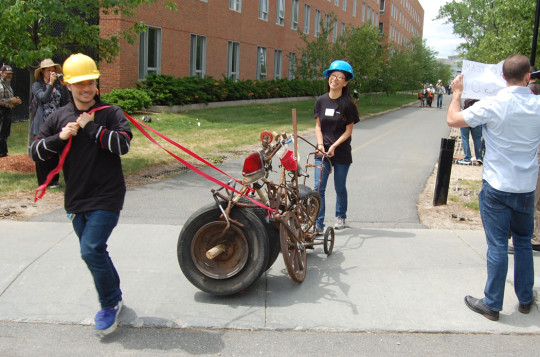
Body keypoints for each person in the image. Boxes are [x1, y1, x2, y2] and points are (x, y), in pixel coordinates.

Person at [30, 53, 133, 335]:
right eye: (80, 84)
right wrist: (59, 138)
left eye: (90, 83)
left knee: (89, 250)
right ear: (67, 85)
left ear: (96, 83)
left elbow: (122, 145)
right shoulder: (59, 117)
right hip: (76, 198)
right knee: (96, 250)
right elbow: (34, 152)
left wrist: (91, 127)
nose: (86, 89)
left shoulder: (111, 113)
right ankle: (116, 296)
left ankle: (109, 304)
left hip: (107, 196)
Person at [447, 54, 540, 321]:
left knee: (497, 244)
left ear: (502, 77)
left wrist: (456, 93)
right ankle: (524, 298)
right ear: (528, 78)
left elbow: (453, 120)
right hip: (526, 185)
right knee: (523, 243)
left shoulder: (492, 104)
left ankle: (492, 303)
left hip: (497, 185)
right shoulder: (537, 104)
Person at [313, 60, 359, 233]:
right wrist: (320, 145)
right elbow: (318, 126)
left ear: (345, 82)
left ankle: (341, 216)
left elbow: (348, 131)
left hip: (341, 152)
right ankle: (318, 223)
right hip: (322, 151)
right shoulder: (321, 101)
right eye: (333, 76)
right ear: (328, 78)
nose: (336, 79)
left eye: (340, 77)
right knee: (318, 187)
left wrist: (334, 146)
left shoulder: (348, 104)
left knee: (339, 186)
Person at [31, 59, 71, 186]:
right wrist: (50, 84)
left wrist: (64, 86)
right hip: (43, 124)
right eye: (48, 70)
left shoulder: (57, 86)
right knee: (43, 151)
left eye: (53, 71)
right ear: (42, 72)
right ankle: (43, 181)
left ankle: (54, 180)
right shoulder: (37, 85)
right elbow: (43, 98)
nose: (51, 73)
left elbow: (65, 101)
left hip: (56, 124)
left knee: (55, 151)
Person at [0, 65, 22, 157]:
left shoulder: (7, 85)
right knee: (1, 133)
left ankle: (4, 152)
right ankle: (2, 153)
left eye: (10, 74)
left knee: (5, 133)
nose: (9, 76)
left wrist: (17, 101)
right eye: (7, 74)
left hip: (7, 111)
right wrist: (11, 101)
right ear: (1, 73)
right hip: (2, 111)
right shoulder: (1, 85)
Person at [457, 99, 483, 165]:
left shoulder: (464, 95)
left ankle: (467, 158)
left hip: (465, 117)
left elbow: (460, 106)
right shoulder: (479, 96)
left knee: (465, 138)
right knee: (477, 139)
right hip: (477, 118)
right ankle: (479, 157)